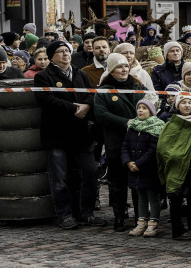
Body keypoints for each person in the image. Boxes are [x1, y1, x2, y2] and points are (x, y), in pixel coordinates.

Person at [35, 41, 104, 229]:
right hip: (56, 134)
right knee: (60, 178)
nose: (66, 54)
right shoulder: (43, 77)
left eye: (67, 51)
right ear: (51, 56)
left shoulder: (81, 74)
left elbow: (91, 94)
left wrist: (87, 106)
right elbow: (45, 100)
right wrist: (74, 108)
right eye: (61, 51)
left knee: (90, 172)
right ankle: (64, 215)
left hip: (81, 134)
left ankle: (86, 213)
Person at [93, 53, 146, 232]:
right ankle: (119, 216)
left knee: (138, 180)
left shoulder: (138, 85)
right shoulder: (105, 90)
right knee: (117, 181)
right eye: (119, 67)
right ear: (111, 70)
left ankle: (141, 217)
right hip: (116, 141)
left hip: (139, 142)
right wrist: (125, 122)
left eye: (125, 66)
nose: (124, 70)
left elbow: (153, 102)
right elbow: (101, 114)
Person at [157, 92, 191, 240]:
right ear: (177, 105)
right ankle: (177, 230)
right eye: (183, 102)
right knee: (176, 199)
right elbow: (164, 148)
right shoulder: (172, 124)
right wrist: (177, 156)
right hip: (178, 168)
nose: (187, 105)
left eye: (189, 102)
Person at [120, 98, 166, 237]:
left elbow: (153, 150)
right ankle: (141, 222)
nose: (140, 110)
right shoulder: (132, 127)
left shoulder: (157, 127)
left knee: (153, 196)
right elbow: (125, 146)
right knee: (140, 196)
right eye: (139, 107)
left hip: (149, 169)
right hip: (134, 169)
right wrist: (128, 162)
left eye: (144, 108)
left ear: (151, 111)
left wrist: (139, 164)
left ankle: (153, 223)